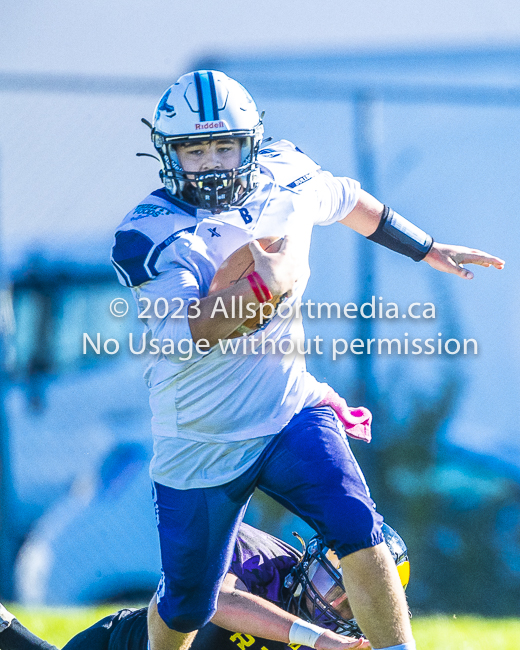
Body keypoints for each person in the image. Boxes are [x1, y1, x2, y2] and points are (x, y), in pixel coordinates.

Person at [111, 70, 504, 650]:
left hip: (288, 408)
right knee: (188, 600)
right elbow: (193, 328)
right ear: (170, 155)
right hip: (203, 440)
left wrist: (424, 246)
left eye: (226, 145)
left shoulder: (284, 173)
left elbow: (347, 198)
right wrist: (268, 285)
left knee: (358, 527)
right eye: (196, 150)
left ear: (252, 143)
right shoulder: (153, 235)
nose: (214, 163)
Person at [0, 522, 409, 650]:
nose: (330, 601)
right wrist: (315, 636)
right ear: (310, 561)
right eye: (329, 582)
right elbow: (214, 601)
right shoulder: (263, 557)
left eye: (349, 602)